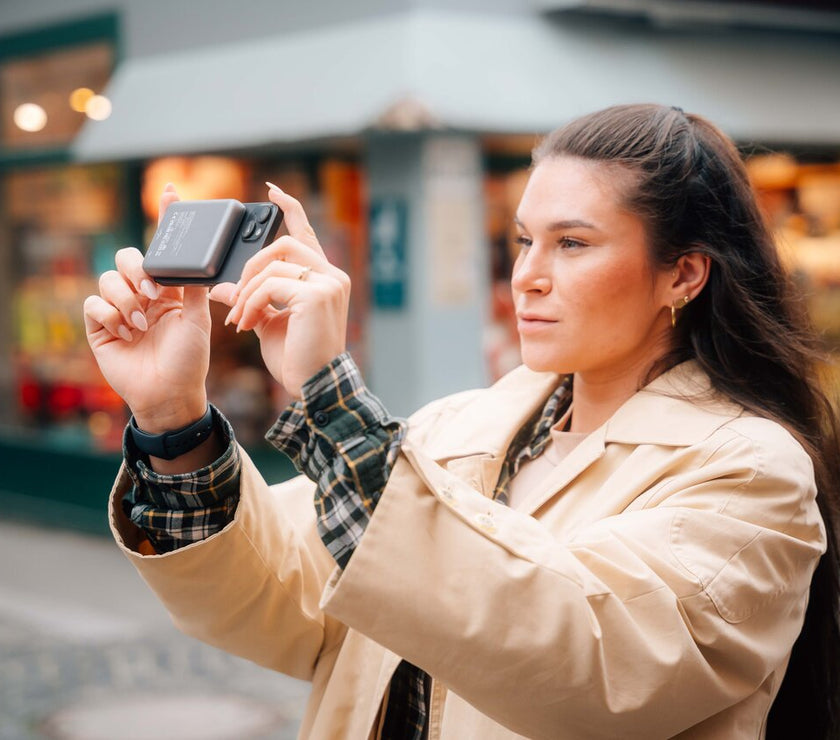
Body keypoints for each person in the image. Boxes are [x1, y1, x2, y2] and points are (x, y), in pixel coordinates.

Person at [84, 103, 840, 739]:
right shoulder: (459, 428)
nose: (528, 274)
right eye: (523, 240)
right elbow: (282, 595)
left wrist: (328, 392)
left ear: (683, 273)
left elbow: (583, 659)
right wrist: (172, 413)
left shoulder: (750, 469)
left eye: (572, 243)